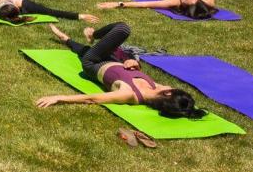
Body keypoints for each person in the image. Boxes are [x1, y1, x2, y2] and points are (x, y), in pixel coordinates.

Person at [35, 23, 205, 118]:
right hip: (116, 61)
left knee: (123, 29)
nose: (169, 86)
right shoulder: (156, 88)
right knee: (90, 49)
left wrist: (59, 98)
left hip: (93, 63)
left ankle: (93, 35)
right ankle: (67, 39)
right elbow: (134, 72)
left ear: (167, 94)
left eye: (173, 89)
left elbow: (92, 99)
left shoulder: (130, 95)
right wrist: (135, 64)